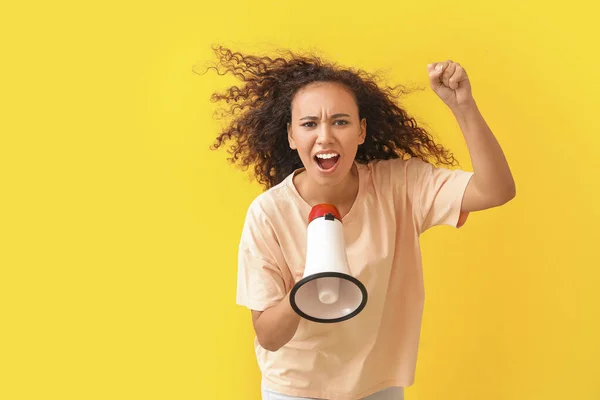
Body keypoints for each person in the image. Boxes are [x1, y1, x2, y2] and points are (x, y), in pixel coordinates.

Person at [206, 46, 516, 400]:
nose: (325, 137)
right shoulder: (268, 214)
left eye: (340, 121)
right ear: (292, 136)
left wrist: (463, 106)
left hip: (377, 385)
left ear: (361, 131)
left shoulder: (400, 187)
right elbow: (269, 336)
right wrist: (304, 289)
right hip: (296, 389)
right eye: (309, 124)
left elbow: (496, 190)